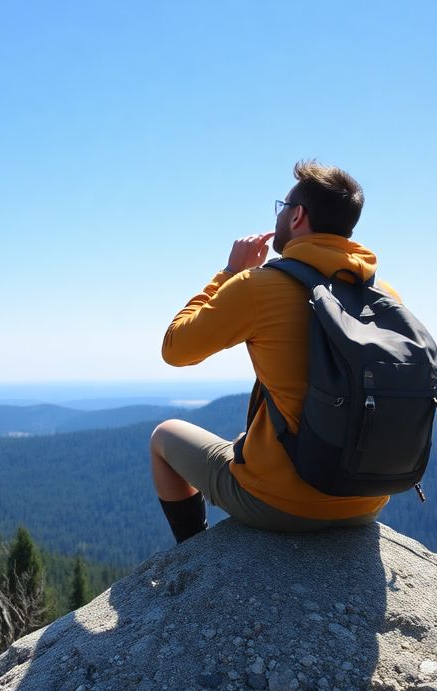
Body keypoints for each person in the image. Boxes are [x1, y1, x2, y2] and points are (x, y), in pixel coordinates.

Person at [150, 161, 401, 543]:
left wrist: (229, 271)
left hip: (283, 505)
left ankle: (193, 551)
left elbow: (175, 348)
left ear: (298, 215)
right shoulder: (385, 296)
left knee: (164, 436)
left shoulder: (260, 286)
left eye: (283, 206)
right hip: (366, 501)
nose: (281, 214)